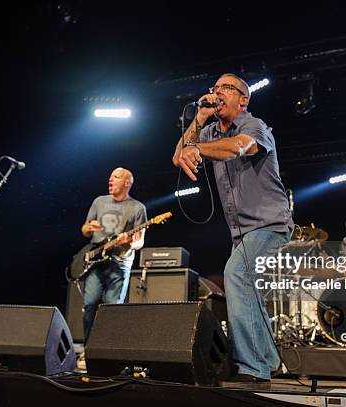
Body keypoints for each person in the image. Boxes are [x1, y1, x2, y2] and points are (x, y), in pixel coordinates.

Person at [172, 73, 293, 389]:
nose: (217, 92)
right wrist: (198, 118)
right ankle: (269, 362)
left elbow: (238, 148)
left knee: (236, 276)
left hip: (270, 225)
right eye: (215, 88)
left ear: (243, 99)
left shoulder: (255, 126)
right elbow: (178, 155)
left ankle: (253, 369)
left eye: (226, 88)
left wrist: (197, 148)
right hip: (241, 234)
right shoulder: (209, 130)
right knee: (247, 288)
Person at [79, 167, 147, 345]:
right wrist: (88, 228)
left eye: (115, 177)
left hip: (120, 262)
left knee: (112, 309)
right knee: (90, 304)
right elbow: (85, 230)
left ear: (127, 183)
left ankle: (108, 349)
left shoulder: (137, 208)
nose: (110, 180)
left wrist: (127, 243)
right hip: (95, 261)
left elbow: (139, 242)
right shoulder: (99, 201)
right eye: (110, 177)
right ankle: (88, 349)